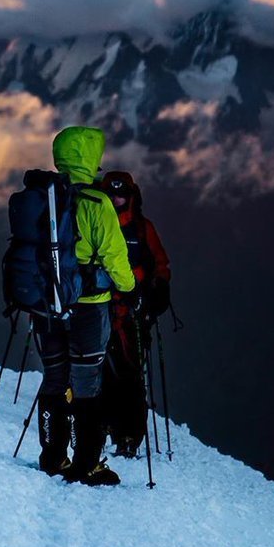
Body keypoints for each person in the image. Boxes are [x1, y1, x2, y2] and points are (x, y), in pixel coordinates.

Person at [37, 126, 136, 485]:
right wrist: (130, 288)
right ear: (91, 158)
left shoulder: (41, 196)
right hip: (89, 307)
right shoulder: (98, 203)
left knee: (54, 378)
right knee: (87, 383)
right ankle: (86, 464)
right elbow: (115, 256)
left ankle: (52, 457)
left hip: (46, 306)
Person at [100, 171, 171, 459]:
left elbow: (161, 264)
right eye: (112, 194)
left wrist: (159, 290)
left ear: (131, 196)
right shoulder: (137, 228)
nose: (117, 200)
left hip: (131, 313)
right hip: (108, 310)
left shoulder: (142, 229)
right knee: (103, 372)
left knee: (128, 375)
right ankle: (107, 427)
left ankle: (127, 434)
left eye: (122, 194)